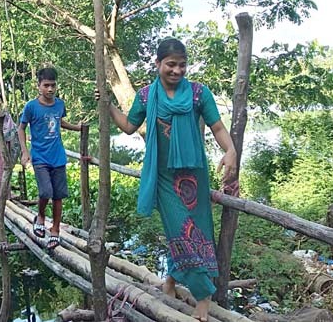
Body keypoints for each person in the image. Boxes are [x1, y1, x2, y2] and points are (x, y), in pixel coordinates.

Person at [97, 38, 236, 322]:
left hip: (193, 175)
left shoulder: (199, 94)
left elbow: (218, 127)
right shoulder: (147, 96)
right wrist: (109, 107)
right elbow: (128, 127)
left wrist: (231, 151)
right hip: (163, 177)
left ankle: (183, 288)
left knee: (197, 230)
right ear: (158, 64)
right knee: (181, 230)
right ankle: (203, 294)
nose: (177, 70)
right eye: (171, 64)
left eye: (182, 65)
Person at [18, 67, 81, 250]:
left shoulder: (60, 104)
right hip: (40, 157)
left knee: (58, 196)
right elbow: (21, 128)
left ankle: (55, 230)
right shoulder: (31, 107)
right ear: (38, 86)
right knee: (46, 192)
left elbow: (60, 121)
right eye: (46, 85)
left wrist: (78, 128)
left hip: (58, 157)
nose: (50, 89)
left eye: (53, 85)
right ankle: (40, 217)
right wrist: (24, 151)